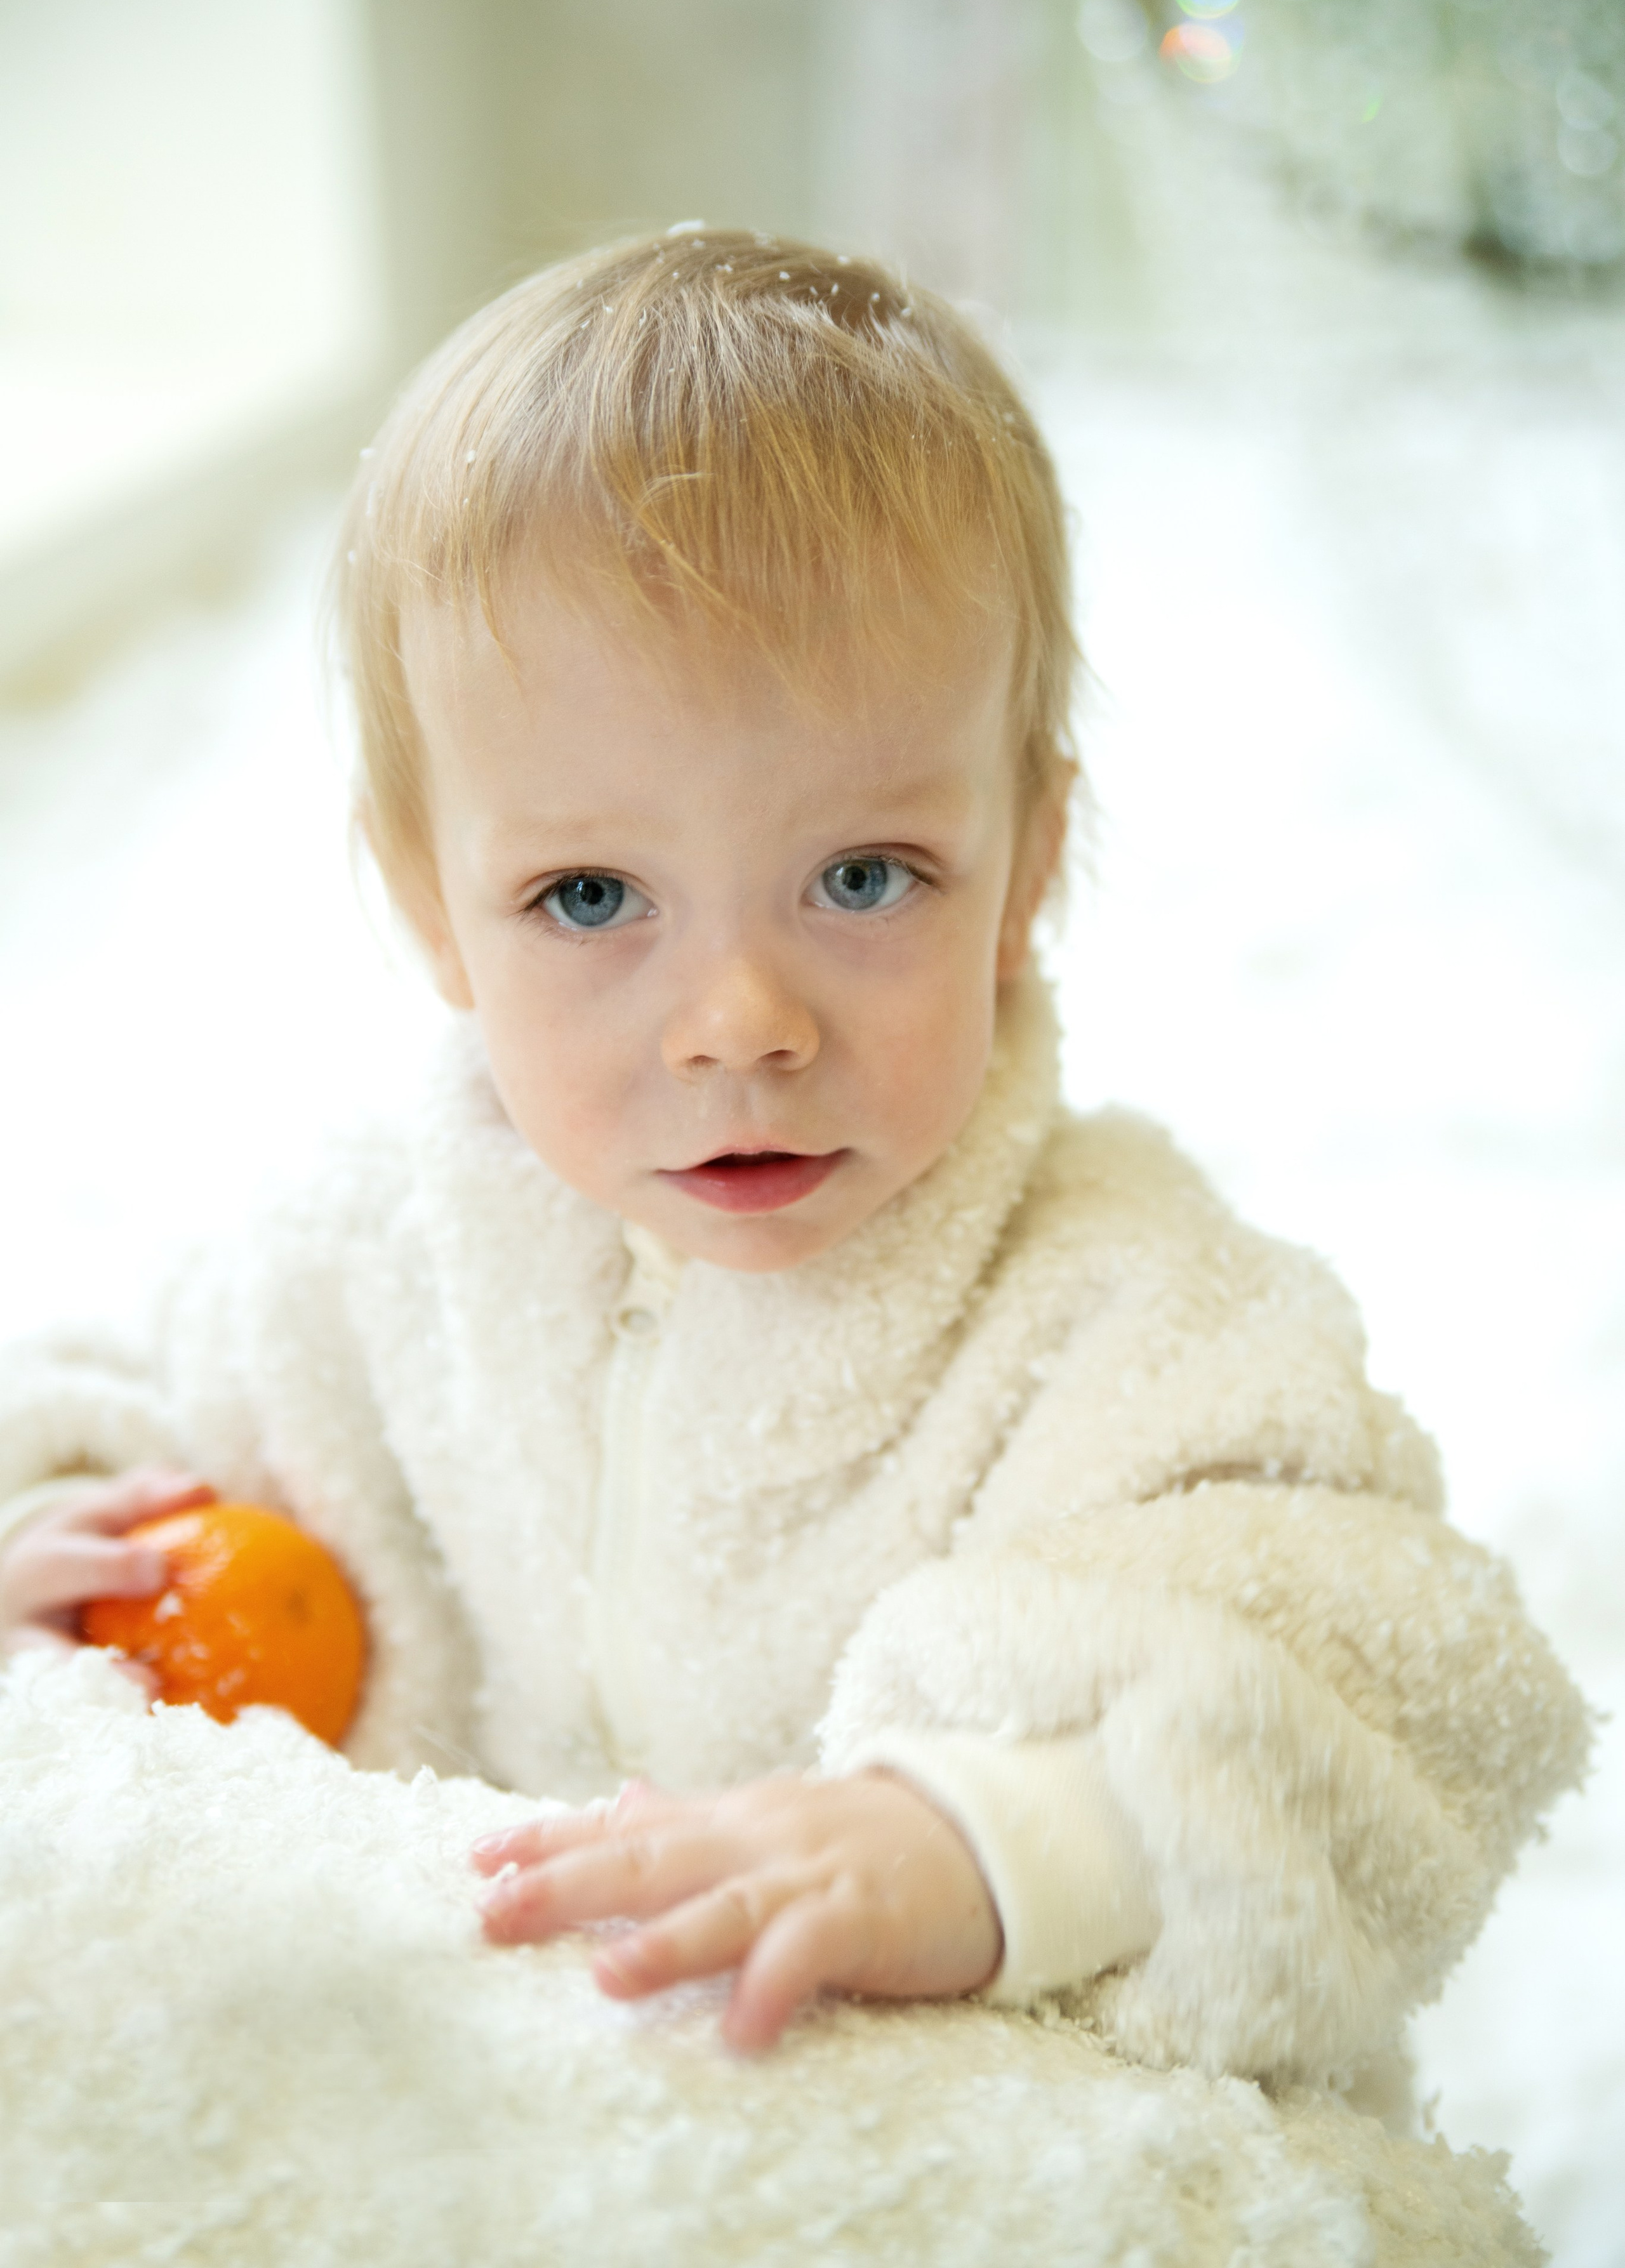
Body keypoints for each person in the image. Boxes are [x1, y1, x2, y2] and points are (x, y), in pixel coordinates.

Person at [0, 230, 1588, 2087]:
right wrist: (55, 1549)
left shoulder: (1127, 1314)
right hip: (485, 2114)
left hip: (942, 2138)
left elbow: (1398, 1681)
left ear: (1026, 867)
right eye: (591, 897)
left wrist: (984, 1845)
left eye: (861, 876)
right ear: (432, 904)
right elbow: (134, 1421)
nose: (739, 1022)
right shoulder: (353, 1266)